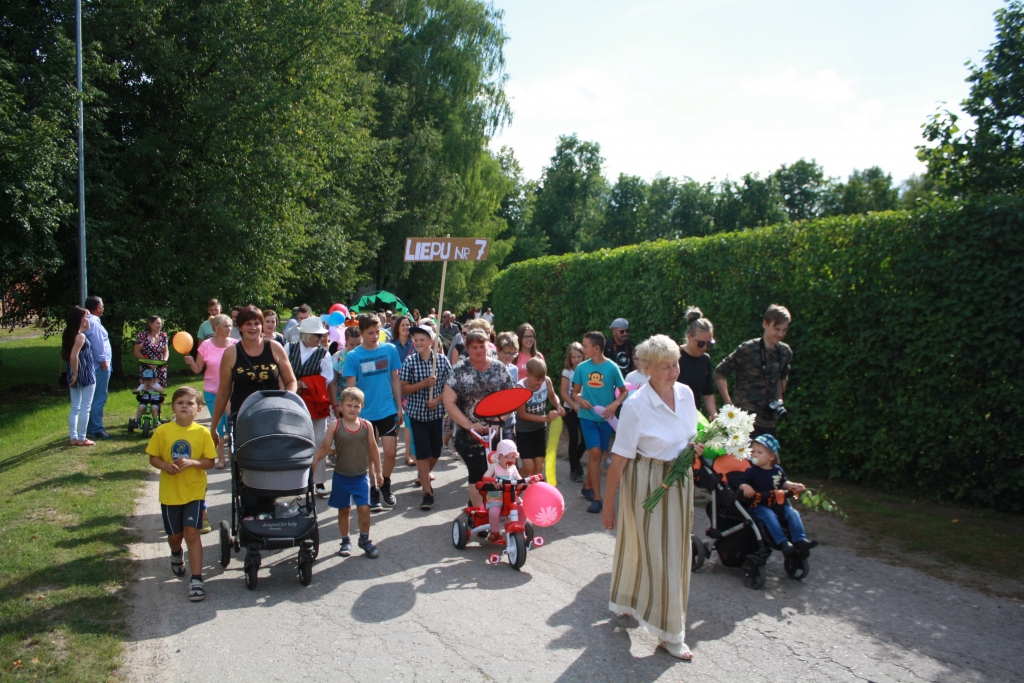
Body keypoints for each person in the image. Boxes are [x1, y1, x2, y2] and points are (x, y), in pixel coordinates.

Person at [601, 334, 704, 660]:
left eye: (675, 364)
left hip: (681, 480)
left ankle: (630, 599)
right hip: (648, 481)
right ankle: (670, 632)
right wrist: (609, 504)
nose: (674, 371)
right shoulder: (636, 405)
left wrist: (695, 447)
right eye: (665, 367)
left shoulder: (686, 394)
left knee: (675, 552)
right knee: (655, 552)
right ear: (647, 369)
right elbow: (619, 458)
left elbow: (688, 434)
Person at [146, 386, 217, 601]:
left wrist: (193, 462)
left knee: (192, 532)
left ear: (198, 409)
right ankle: (176, 553)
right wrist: (164, 465)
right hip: (170, 493)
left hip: (194, 491)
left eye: (190, 403)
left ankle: (197, 579)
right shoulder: (163, 431)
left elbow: (210, 462)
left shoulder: (202, 433)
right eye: (180, 403)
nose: (185, 406)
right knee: (175, 536)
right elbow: (153, 457)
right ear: (173, 408)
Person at [442, 328, 515, 508]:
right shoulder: (459, 370)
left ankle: (500, 510)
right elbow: (448, 402)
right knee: (478, 473)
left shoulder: (499, 368)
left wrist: (498, 422)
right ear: (468, 348)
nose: (478, 351)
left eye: (482, 346)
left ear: (488, 346)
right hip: (468, 436)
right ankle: (479, 513)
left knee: (503, 472)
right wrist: (469, 425)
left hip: (498, 434)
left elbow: (512, 399)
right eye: (474, 347)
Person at [209, 306, 297, 450]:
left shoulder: (274, 348)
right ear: (240, 326)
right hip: (243, 417)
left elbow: (291, 381)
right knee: (246, 462)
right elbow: (224, 392)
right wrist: (214, 426)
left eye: (257, 323)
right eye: (248, 324)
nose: (253, 327)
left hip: (272, 416)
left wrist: (286, 401)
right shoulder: (231, 353)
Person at [311, 387, 382, 558]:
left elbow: (373, 449)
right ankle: (345, 541)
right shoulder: (335, 426)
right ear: (341, 406)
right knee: (344, 510)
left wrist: (379, 472)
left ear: (362, 407)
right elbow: (325, 448)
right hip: (341, 476)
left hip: (360, 476)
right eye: (349, 405)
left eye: (356, 406)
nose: (352, 409)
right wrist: (313, 461)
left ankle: (364, 539)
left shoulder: (366, 425)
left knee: (364, 508)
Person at [342, 313, 403, 510]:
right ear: (361, 333)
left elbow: (395, 379)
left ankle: (385, 483)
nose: (375, 336)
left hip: (386, 409)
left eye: (377, 332)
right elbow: (351, 389)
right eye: (370, 333)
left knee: (391, 453)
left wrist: (399, 406)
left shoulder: (390, 350)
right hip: (365, 413)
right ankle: (373, 489)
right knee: (369, 455)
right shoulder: (353, 357)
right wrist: (352, 415)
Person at [714, 304, 793, 437]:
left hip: (769, 422)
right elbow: (719, 372)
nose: (780, 334)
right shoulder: (747, 349)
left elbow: (784, 375)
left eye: (784, 330)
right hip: (744, 422)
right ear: (765, 324)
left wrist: (779, 398)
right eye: (777, 329)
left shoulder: (785, 352)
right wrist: (730, 406)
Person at [399, 323, 453, 510]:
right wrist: (423, 383)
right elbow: (403, 387)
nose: (418, 343)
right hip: (416, 414)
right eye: (416, 340)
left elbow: (449, 385)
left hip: (436, 413)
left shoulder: (442, 361)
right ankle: (427, 492)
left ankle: (423, 475)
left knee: (436, 451)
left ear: (431, 341)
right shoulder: (410, 362)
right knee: (422, 451)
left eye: (422, 340)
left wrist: (438, 399)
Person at [573, 331, 626, 514]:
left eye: (585, 346)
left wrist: (615, 404)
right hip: (587, 417)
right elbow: (575, 392)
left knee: (599, 453)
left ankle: (587, 486)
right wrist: (579, 400)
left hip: (605, 419)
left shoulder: (612, 368)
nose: (583, 349)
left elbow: (624, 391)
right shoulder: (581, 368)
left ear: (596, 349)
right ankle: (597, 498)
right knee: (594, 453)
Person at [737, 434, 817, 553]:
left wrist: (794, 485)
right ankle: (783, 542)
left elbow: (783, 482)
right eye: (753, 452)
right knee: (770, 516)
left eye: (759, 452)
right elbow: (741, 483)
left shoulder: (777, 470)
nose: (754, 455)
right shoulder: (751, 471)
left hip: (776, 504)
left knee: (793, 513)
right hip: (758, 505)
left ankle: (800, 539)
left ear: (771, 457)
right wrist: (746, 486)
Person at [286, 317, 334, 497]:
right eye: (317, 335)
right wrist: (292, 384)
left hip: (315, 401)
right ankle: (295, 480)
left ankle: (319, 480)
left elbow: (327, 379)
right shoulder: (289, 348)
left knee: (319, 439)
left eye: (322, 335)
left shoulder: (324, 354)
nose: (321, 339)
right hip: (292, 401)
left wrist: (304, 383)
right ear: (305, 335)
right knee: (293, 440)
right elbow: (282, 372)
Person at [184, 313, 237, 468]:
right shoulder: (206, 345)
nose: (229, 328)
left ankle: (232, 451)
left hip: (232, 391)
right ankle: (221, 458)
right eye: (226, 326)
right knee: (218, 424)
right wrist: (191, 362)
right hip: (212, 390)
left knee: (231, 423)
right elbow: (197, 369)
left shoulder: (235, 344)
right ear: (216, 328)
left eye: (230, 326)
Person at [516, 358, 564, 479]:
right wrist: (546, 418)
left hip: (539, 430)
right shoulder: (520, 388)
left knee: (538, 468)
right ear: (528, 375)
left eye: (542, 378)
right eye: (537, 379)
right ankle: (513, 483)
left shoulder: (546, 381)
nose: (540, 382)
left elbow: (552, 396)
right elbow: (522, 415)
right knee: (529, 468)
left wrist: (558, 406)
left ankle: (533, 494)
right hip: (524, 432)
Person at [62, 306, 96, 447]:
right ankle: (82, 438)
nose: (88, 319)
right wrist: (76, 374)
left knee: (75, 406)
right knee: (85, 407)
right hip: (84, 374)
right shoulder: (80, 336)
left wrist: (73, 373)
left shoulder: (69, 333)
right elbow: (74, 356)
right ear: (81, 319)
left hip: (73, 373)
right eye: (87, 316)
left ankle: (73, 436)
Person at [678, 306, 718, 419]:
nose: (705, 347)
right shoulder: (675, 357)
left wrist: (714, 415)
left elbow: (708, 393)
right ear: (689, 337)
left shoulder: (705, 359)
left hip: (695, 416)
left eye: (709, 343)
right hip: (674, 416)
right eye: (701, 343)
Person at [83, 295, 112, 440]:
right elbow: (98, 343)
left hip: (95, 365)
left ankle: (89, 428)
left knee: (92, 398)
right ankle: (96, 429)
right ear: (98, 307)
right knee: (99, 398)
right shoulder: (93, 323)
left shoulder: (89, 321)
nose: (103, 308)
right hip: (99, 366)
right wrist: (103, 361)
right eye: (102, 306)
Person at [482, 440, 520, 542]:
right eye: (506, 457)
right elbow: (485, 478)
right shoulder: (495, 467)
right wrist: (493, 481)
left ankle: (521, 527)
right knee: (494, 512)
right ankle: (495, 532)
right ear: (499, 457)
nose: (510, 460)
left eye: (513, 457)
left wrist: (523, 483)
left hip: (512, 497)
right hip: (496, 497)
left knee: (523, 508)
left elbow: (519, 480)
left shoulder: (513, 468)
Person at [560, 342, 587, 483]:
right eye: (573, 357)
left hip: (583, 409)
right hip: (570, 410)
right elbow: (564, 393)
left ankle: (575, 461)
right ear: (569, 359)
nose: (576, 359)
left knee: (586, 439)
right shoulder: (567, 372)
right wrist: (574, 406)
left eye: (579, 356)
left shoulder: (586, 370)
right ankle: (574, 470)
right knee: (574, 438)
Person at [329, 326, 362, 409]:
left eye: (358, 344)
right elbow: (332, 384)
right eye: (352, 344)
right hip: (343, 402)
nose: (355, 348)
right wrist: (335, 405)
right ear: (346, 341)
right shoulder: (338, 357)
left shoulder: (366, 355)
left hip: (364, 401)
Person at [133, 315, 169, 387]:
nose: (160, 325)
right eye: (158, 323)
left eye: (161, 324)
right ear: (150, 324)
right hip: (147, 368)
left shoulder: (163, 336)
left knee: (159, 393)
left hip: (160, 368)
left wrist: (164, 361)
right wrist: (148, 363)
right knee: (146, 391)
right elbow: (136, 351)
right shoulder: (143, 336)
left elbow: (166, 351)